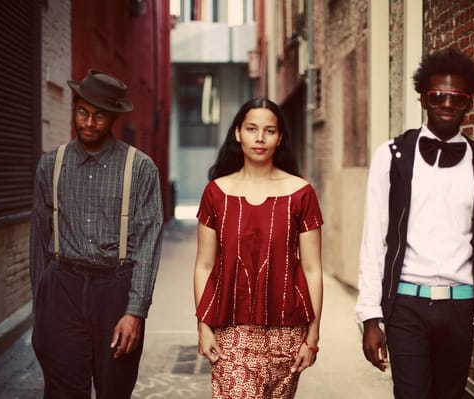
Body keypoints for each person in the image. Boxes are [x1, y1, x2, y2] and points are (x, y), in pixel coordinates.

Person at [355, 47, 474, 398]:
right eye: (438, 96)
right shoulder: (392, 157)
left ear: (469, 103)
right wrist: (370, 317)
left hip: (460, 310)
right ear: (423, 98)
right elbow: (374, 241)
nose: (447, 104)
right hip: (406, 305)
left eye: (457, 98)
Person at [29, 69, 164, 398]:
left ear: (114, 118)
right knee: (62, 392)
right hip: (63, 288)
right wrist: (42, 304)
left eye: (99, 116)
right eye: (82, 112)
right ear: (74, 110)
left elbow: (147, 246)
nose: (89, 123)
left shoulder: (140, 168)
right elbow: (38, 240)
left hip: (115, 292)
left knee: (113, 390)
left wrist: (135, 312)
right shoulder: (51, 165)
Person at [193, 98, 324, 398]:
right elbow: (203, 265)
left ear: (280, 138)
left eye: (269, 130)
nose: (260, 138)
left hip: (287, 332)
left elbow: (313, 268)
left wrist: (312, 337)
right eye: (252, 129)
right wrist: (203, 325)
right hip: (231, 330)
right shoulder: (216, 192)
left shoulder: (301, 193)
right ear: (238, 133)